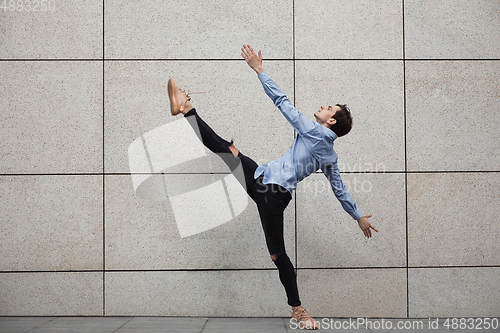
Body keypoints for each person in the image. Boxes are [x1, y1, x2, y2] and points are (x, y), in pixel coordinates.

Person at [167, 45, 378, 330]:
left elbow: (283, 103)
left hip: (272, 195)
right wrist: (357, 216)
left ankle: (299, 311)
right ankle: (186, 108)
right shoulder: (330, 153)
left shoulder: (315, 131)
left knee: (277, 254)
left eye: (330, 108)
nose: (324, 105)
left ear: (331, 122)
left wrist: (258, 69)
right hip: (262, 178)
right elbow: (338, 189)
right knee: (225, 148)